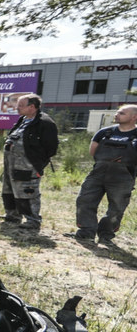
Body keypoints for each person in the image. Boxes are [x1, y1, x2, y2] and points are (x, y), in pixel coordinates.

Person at [69, 104, 137, 243]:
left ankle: (106, 234)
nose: (116, 115)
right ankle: (86, 231)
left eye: (122, 113)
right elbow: (93, 151)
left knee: (117, 207)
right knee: (84, 200)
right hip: (98, 173)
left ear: (134, 117)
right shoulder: (104, 132)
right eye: (117, 112)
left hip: (123, 177)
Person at [0, 94, 58, 233]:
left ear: (32, 107)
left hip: (28, 166)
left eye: (20, 105)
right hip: (11, 164)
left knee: (27, 192)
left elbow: (51, 148)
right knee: (9, 190)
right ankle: (12, 216)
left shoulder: (45, 123)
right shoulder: (23, 120)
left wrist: (36, 163)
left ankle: (32, 220)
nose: (17, 108)